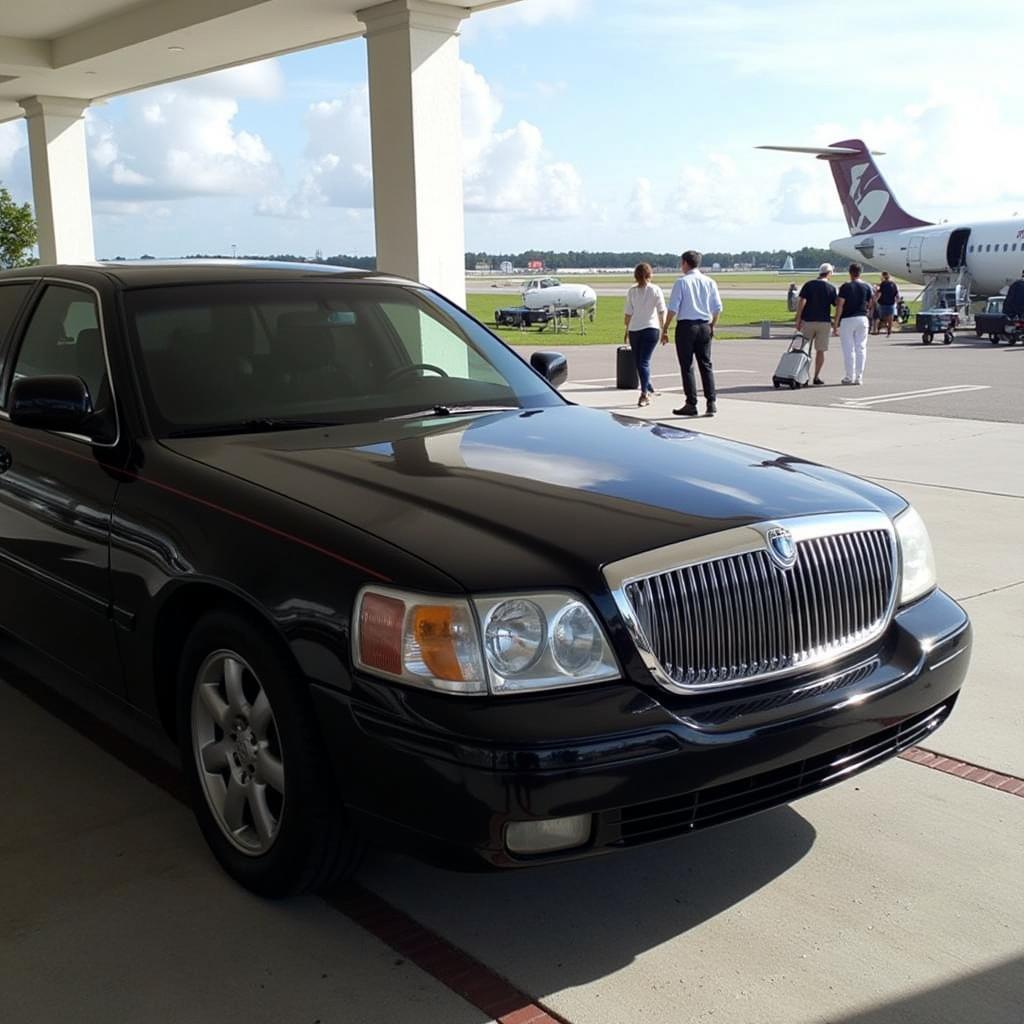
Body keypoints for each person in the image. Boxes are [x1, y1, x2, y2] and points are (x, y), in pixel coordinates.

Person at [661, 250, 723, 417]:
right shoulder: (710, 281)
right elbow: (717, 308)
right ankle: (711, 402)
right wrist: (712, 326)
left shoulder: (681, 282)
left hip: (687, 326)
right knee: (706, 364)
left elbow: (673, 308)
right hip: (704, 324)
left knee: (687, 366)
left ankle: (691, 402)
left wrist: (665, 328)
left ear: (685, 263)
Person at [623, 262, 667, 407]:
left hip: (636, 328)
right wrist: (664, 328)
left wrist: (626, 330)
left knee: (641, 361)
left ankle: (644, 393)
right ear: (650, 275)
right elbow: (662, 310)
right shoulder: (655, 290)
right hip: (650, 328)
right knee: (641, 362)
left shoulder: (632, 291)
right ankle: (647, 385)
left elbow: (628, 314)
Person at [794, 262, 837, 385]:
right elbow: (835, 304)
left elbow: (802, 301)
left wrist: (798, 318)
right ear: (829, 273)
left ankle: (802, 375)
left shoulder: (809, 284)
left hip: (808, 321)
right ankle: (816, 376)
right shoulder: (831, 288)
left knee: (804, 350)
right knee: (820, 351)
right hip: (824, 322)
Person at [833, 263, 875, 385]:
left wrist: (836, 323)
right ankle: (859, 376)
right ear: (860, 273)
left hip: (848, 318)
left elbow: (840, 305)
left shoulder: (846, 286)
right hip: (862, 317)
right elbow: (871, 302)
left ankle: (849, 376)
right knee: (861, 347)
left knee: (848, 349)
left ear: (850, 272)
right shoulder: (867, 286)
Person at [874, 271, 900, 336]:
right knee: (890, 318)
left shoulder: (883, 284)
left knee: (882, 318)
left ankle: (879, 329)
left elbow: (880, 293)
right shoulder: (893, 284)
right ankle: (889, 331)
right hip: (891, 304)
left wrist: (875, 300)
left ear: (883, 276)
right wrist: (897, 302)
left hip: (883, 304)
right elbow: (896, 294)